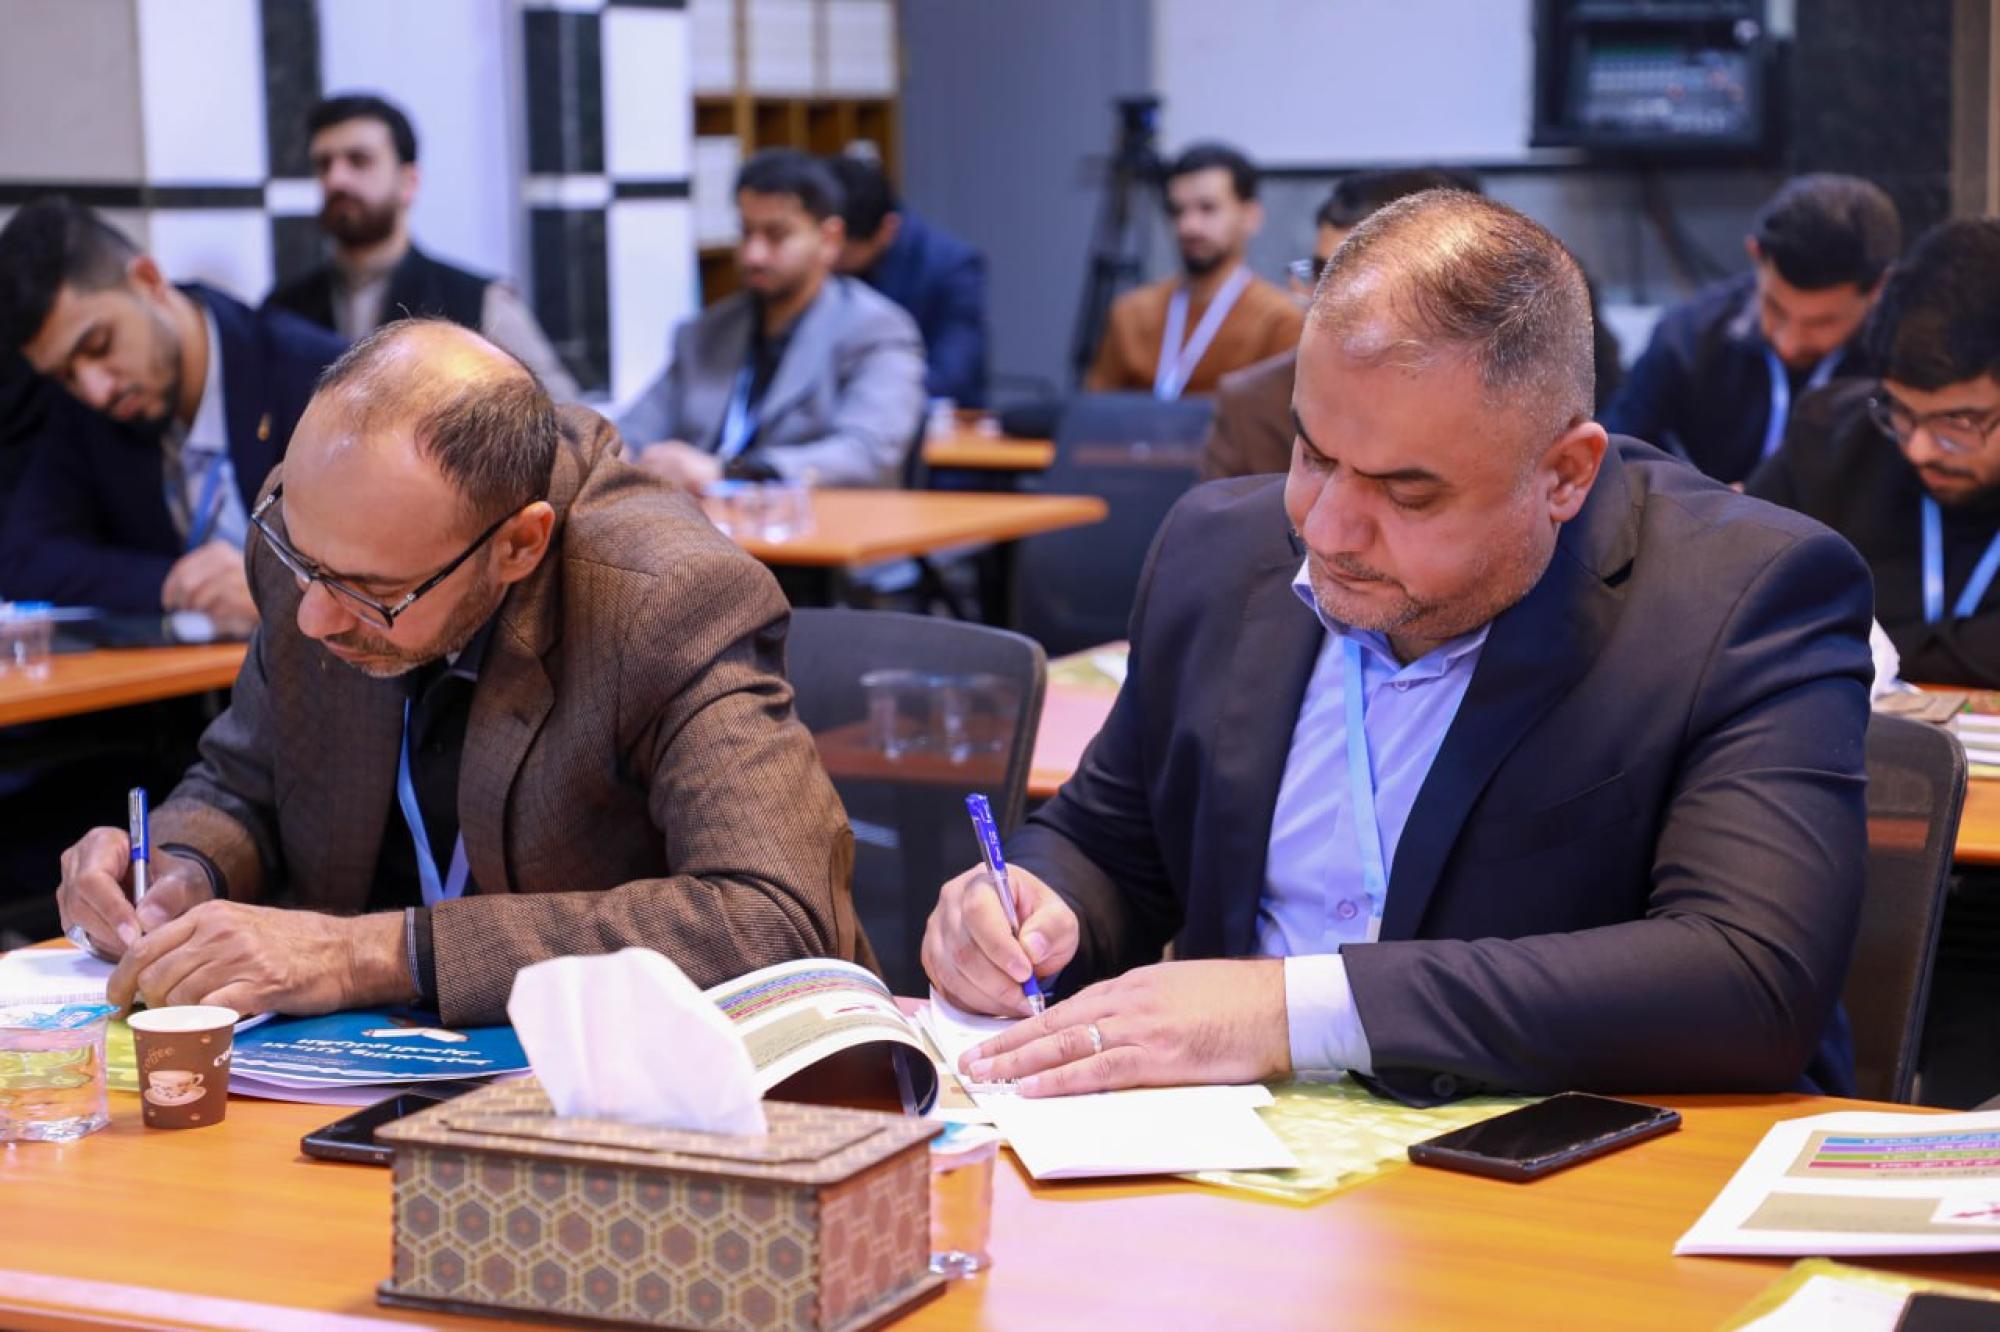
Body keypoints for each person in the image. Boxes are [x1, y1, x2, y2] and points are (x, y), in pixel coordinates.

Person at [922, 191, 1873, 1105]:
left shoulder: (1740, 598)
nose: (1328, 529)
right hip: (1224, 1159)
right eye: (1312, 454)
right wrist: (1034, 907)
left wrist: (1292, 1012)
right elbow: (1111, 844)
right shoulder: (1218, 552)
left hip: (1565, 1160)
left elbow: (1750, 975)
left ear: (1565, 475)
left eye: (1407, 493)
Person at [53, 320, 873, 1023]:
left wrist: (371, 954)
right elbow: (245, 780)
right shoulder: (320, 530)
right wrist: (179, 868)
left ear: (518, 545)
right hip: (345, 1071)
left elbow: (774, 917)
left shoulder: (666, 598)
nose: (314, 617)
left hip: (622, 1086)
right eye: (304, 564)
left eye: (372, 593)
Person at [0, 197, 343, 625]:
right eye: (65, 375)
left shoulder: (317, 376)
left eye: (99, 345)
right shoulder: (84, 411)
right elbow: (24, 558)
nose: (96, 390)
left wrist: (273, 587)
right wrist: (172, 583)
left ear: (149, 280)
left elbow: (387, 562)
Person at [1748, 219, 2000, 688]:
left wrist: (1844, 643)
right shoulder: (1831, 439)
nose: (1919, 450)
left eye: (1957, 422)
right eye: (1902, 411)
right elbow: (1736, 603)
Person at [618, 149, 925, 491]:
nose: (754, 255)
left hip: (817, 519)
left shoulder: (876, 329)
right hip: (700, 519)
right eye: (746, 232)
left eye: (776, 235)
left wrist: (730, 471)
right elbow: (632, 432)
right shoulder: (707, 331)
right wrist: (615, 455)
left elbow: (867, 454)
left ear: (829, 239)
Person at [266, 93, 580, 400]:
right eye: (324, 165)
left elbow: (562, 417)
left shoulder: (479, 303)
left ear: (408, 182)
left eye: (359, 161)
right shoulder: (283, 310)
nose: (336, 179)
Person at [1602, 174, 1901, 485]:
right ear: (1756, 255)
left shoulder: (1899, 361)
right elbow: (1612, 455)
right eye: (1775, 308)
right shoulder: (1688, 337)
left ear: (1879, 287)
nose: (1789, 343)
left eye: (1821, 323)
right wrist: (1691, 498)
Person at [1202, 169, 1474, 481]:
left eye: (1354, 276)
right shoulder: (1253, 403)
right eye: (1320, 273)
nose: (1323, 297)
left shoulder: (1486, 394)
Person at [1085, 142, 1302, 399]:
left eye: (1207, 208)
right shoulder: (1130, 314)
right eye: (1177, 211)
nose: (1188, 226)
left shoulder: (1279, 320)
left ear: (1250, 217)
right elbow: (1093, 414)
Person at [828, 153, 987, 408]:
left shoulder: (951, 267)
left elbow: (951, 376)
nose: (827, 259)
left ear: (887, 230)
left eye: (842, 252)